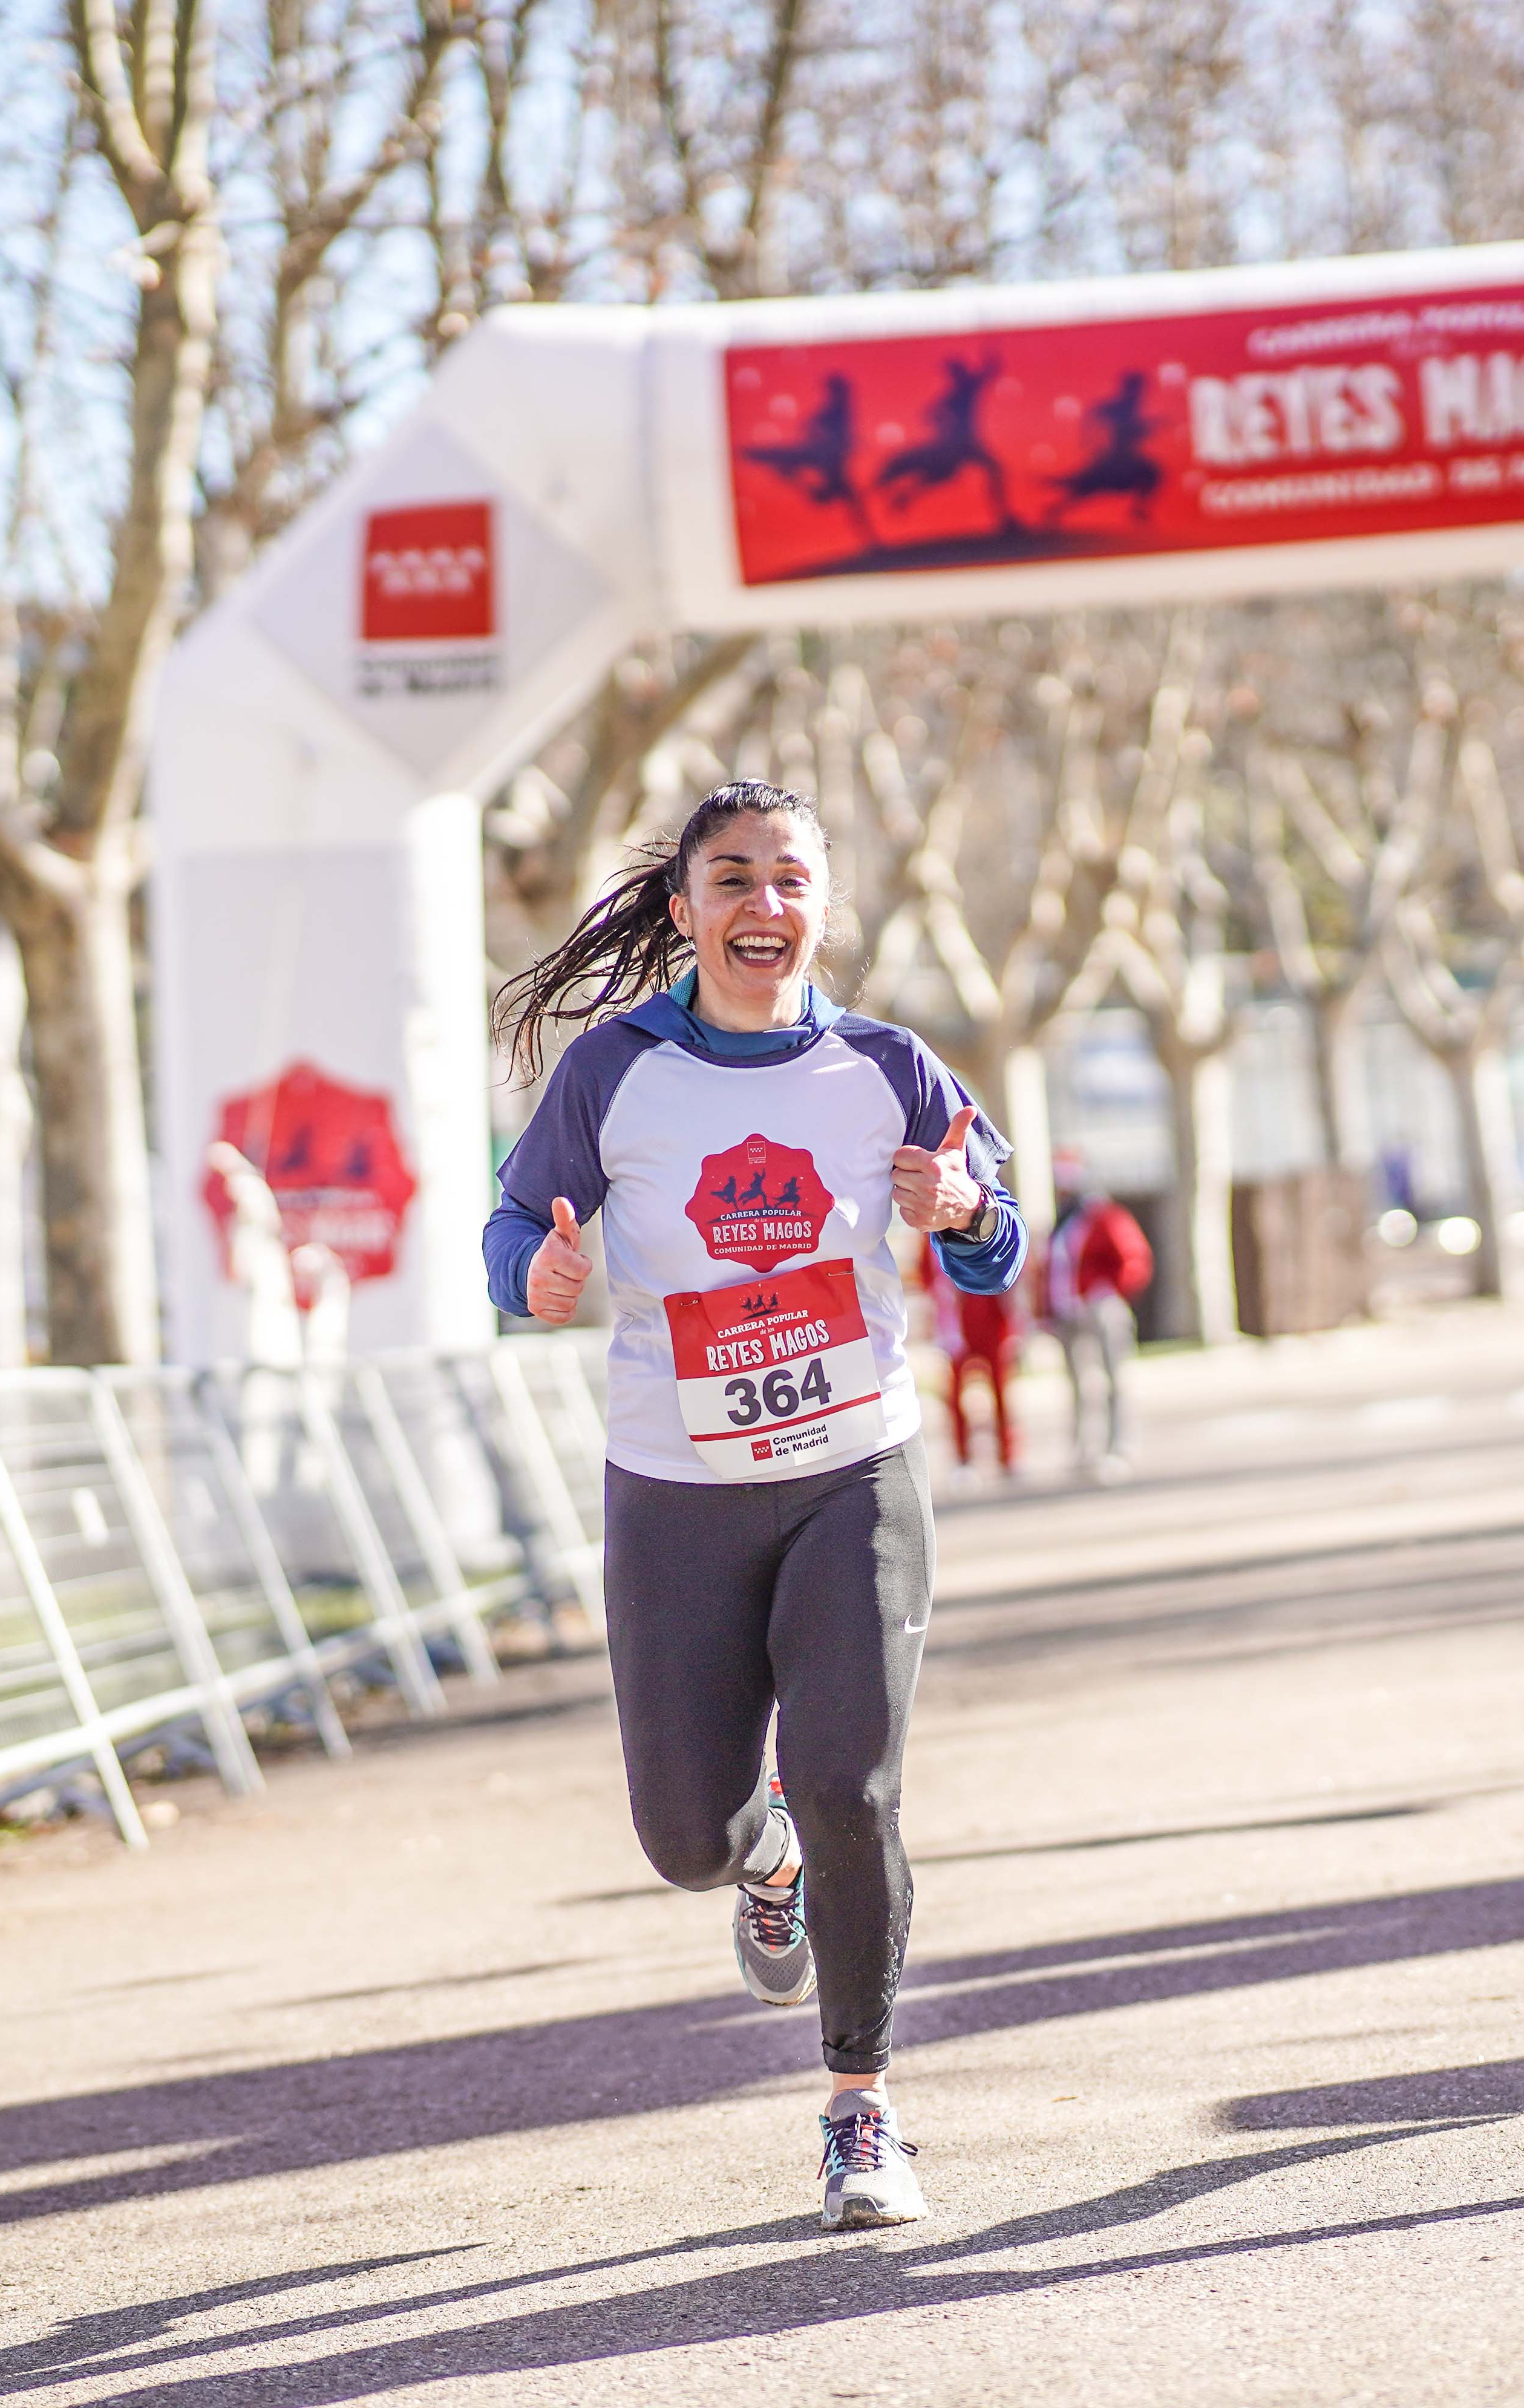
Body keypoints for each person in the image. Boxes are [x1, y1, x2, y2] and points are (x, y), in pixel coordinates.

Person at [483, 778, 1019, 2230]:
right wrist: (525, 1271)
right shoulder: (617, 1072)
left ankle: (861, 2107)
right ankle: (760, 1854)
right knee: (683, 1835)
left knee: (855, 1783)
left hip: (855, 1472)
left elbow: (994, 1235)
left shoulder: (892, 1067)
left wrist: (961, 1211)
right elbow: (516, 1217)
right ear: (684, 909)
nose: (762, 906)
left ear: (824, 908)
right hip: (674, 1492)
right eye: (731, 879)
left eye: (789, 879)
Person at [1039, 1153, 1150, 1476]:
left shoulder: (1105, 1216)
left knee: (1113, 1379)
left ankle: (1120, 1445)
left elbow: (1133, 1258)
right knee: (1077, 1384)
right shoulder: (1063, 1222)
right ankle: (1084, 1448)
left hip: (1099, 1308)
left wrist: (1110, 1292)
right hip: (1069, 1312)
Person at [915, 1229, 1022, 1476]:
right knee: (955, 1396)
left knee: (1001, 1391)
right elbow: (926, 1279)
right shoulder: (929, 1236)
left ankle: (1009, 1456)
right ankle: (963, 1459)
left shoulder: (980, 1217)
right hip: (956, 1325)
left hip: (990, 1322)